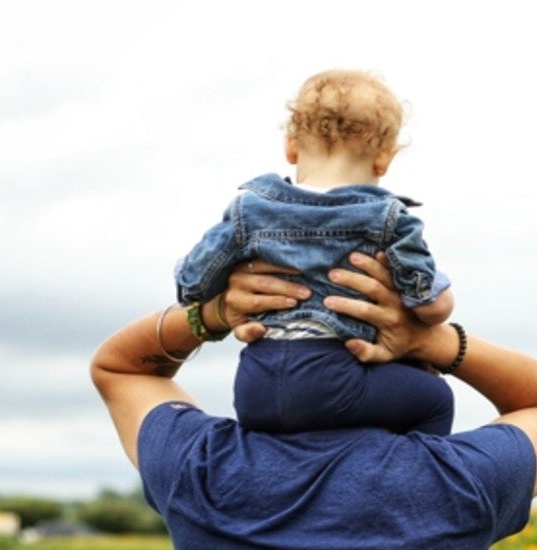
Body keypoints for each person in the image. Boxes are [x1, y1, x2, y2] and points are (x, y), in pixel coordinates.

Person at [90, 253, 537, 550]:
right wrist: (433, 340)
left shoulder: (201, 469)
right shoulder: (460, 482)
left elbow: (120, 368)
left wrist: (215, 313)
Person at [174, 69, 454, 435]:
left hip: (255, 386)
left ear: (291, 146)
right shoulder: (388, 219)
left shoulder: (249, 210)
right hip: (336, 378)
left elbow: (192, 286)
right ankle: (413, 482)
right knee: (435, 398)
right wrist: (441, 297)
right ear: (384, 159)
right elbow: (428, 305)